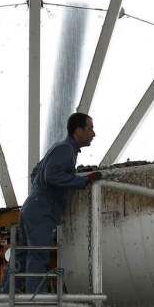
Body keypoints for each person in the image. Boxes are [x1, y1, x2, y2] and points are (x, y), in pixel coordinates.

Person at [19, 113, 101, 292]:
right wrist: (82, 181)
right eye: (90, 129)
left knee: (22, 256)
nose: (93, 134)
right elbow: (51, 175)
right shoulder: (65, 150)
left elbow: (37, 172)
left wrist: (38, 193)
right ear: (78, 131)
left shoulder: (61, 148)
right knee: (38, 255)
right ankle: (35, 303)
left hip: (33, 207)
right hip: (42, 211)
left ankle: (9, 295)